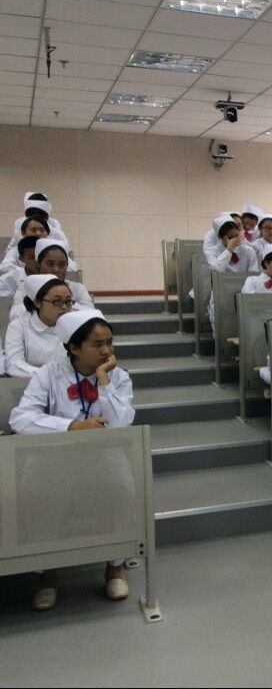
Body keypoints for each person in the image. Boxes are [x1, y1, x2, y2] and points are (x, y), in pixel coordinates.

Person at [10, 309, 135, 611]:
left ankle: (114, 567)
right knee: (38, 497)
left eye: (109, 342)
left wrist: (103, 381)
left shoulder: (118, 377)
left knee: (121, 491)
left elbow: (121, 424)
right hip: (55, 458)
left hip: (103, 456)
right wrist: (70, 426)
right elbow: (21, 418)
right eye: (97, 344)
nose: (106, 350)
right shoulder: (48, 375)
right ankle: (47, 574)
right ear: (74, 347)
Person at [11, 239, 93, 321]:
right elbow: (15, 315)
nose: (56, 270)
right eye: (50, 264)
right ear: (39, 264)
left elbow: (90, 314)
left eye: (62, 265)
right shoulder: (26, 289)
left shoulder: (78, 289)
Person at [5, 274, 70, 377]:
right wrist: (49, 376)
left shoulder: (73, 326)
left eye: (68, 301)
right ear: (37, 302)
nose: (64, 307)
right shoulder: (18, 326)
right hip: (29, 383)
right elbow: (14, 365)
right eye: (57, 301)